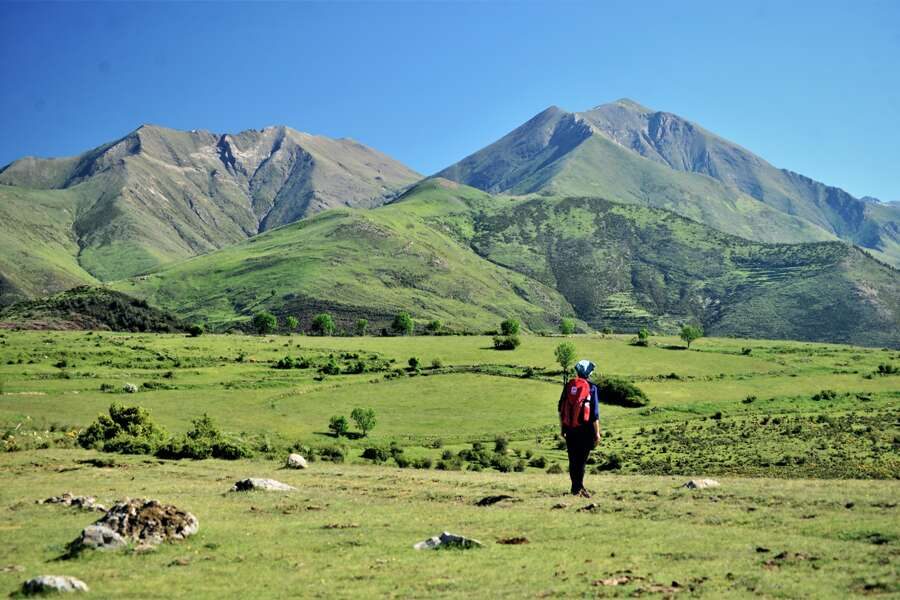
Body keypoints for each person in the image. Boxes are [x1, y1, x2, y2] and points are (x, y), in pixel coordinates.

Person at [558, 359, 600, 497]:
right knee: (581, 460)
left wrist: (562, 428)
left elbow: (560, 408)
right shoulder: (592, 388)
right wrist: (597, 434)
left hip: (570, 428)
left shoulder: (569, 386)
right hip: (585, 429)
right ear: (589, 372)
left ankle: (575, 488)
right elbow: (594, 415)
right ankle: (579, 488)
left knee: (573, 459)